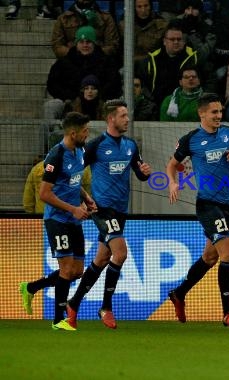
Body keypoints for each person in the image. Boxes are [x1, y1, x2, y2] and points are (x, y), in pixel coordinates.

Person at [165, 93, 229, 327]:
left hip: (227, 204)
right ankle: (228, 312)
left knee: (210, 256)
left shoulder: (228, 133)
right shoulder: (191, 139)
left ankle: (179, 293)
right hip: (207, 204)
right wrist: (173, 182)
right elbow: (172, 165)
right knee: (228, 253)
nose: (218, 116)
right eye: (214, 112)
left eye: (220, 112)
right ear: (201, 113)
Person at [66, 100, 152, 330]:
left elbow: (140, 173)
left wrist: (145, 173)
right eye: (123, 115)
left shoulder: (130, 146)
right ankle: (106, 306)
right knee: (120, 253)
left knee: (102, 259)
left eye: (127, 114)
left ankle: (73, 304)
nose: (127, 119)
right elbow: (73, 174)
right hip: (101, 209)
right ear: (110, 119)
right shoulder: (95, 146)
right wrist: (82, 200)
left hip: (120, 210)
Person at [19, 112, 95, 330]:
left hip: (73, 219)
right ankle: (58, 320)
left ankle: (31, 287)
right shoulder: (55, 156)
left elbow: (73, 181)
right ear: (73, 133)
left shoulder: (79, 151)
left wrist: (86, 199)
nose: (87, 134)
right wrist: (73, 209)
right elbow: (44, 194)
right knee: (66, 268)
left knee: (77, 271)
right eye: (84, 131)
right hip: (57, 220)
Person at [137, 23, 200, 107]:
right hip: (156, 104)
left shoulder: (193, 57)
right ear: (164, 41)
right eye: (172, 39)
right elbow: (144, 85)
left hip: (186, 104)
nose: (176, 42)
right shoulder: (152, 59)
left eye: (179, 39)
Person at [51, 0, 120, 59]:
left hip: (99, 63)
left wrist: (93, 53)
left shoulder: (106, 18)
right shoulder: (63, 19)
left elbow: (112, 46)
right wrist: (75, 54)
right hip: (72, 63)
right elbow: (57, 46)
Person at [23, 159, 92, 214]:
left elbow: (28, 202)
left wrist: (34, 218)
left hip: (44, 218)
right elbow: (90, 197)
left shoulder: (37, 169)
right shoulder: (82, 168)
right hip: (72, 217)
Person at [119, 0, 168, 65]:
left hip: (154, 63)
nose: (143, 10)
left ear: (150, 6)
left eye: (146, 6)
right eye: (139, 7)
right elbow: (120, 50)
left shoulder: (162, 24)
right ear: (134, 8)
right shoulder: (124, 25)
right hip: (130, 64)